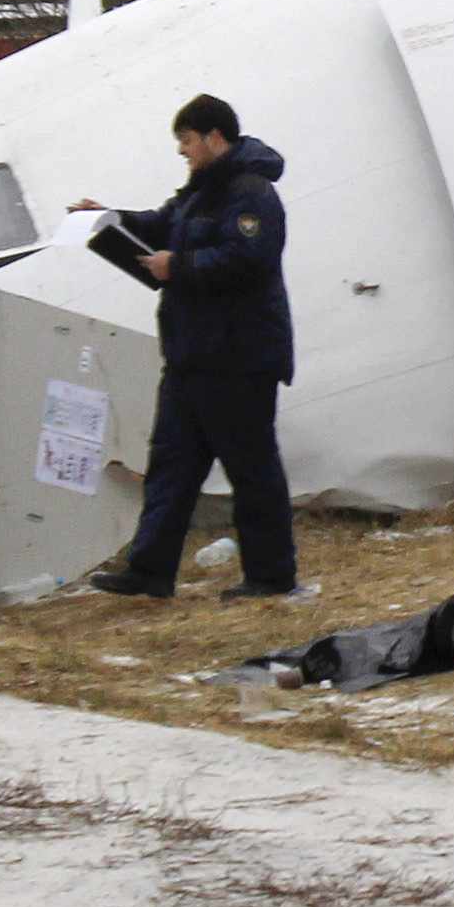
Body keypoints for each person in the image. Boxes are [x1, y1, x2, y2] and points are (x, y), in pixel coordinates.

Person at [76, 95, 299, 601]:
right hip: (191, 358)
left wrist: (177, 267)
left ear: (214, 137)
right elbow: (159, 225)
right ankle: (150, 570)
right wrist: (107, 217)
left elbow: (249, 258)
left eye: (187, 140)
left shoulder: (250, 193)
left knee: (252, 468)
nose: (183, 151)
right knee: (171, 467)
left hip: (239, 358)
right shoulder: (200, 193)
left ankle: (271, 576)